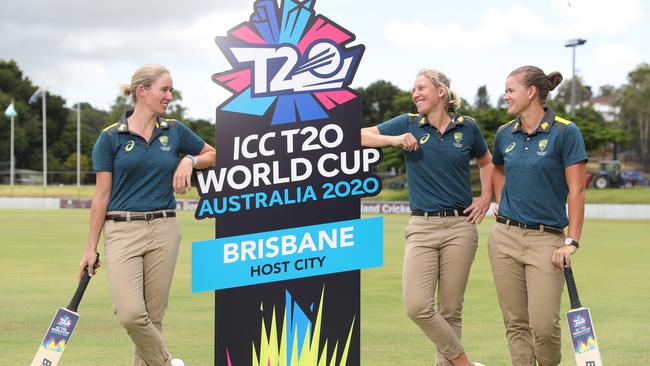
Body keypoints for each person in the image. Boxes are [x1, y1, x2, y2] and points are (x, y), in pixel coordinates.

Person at [79, 64, 216, 366]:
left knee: (153, 319)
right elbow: (101, 196)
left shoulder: (176, 131)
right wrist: (91, 248)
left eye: (171, 90)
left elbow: (215, 154)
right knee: (130, 314)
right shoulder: (110, 137)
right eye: (164, 89)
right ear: (142, 92)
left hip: (165, 229)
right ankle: (167, 364)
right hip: (122, 231)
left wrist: (189, 160)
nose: (170, 96)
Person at [361, 69, 493, 366]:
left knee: (450, 311)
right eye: (414, 90)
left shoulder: (468, 127)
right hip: (421, 227)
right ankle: (465, 364)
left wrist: (486, 197)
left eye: (421, 88)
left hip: (461, 227)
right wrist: (395, 140)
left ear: (441, 91)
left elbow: (487, 162)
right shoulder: (408, 123)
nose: (415, 94)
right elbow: (358, 136)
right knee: (417, 306)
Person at [489, 66, 587, 366]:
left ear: (531, 92)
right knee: (515, 324)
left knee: (544, 326)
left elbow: (577, 191)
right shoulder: (505, 133)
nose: (505, 96)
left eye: (510, 90)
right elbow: (498, 168)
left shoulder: (565, 131)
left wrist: (572, 241)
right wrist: (500, 201)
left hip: (547, 241)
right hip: (504, 239)